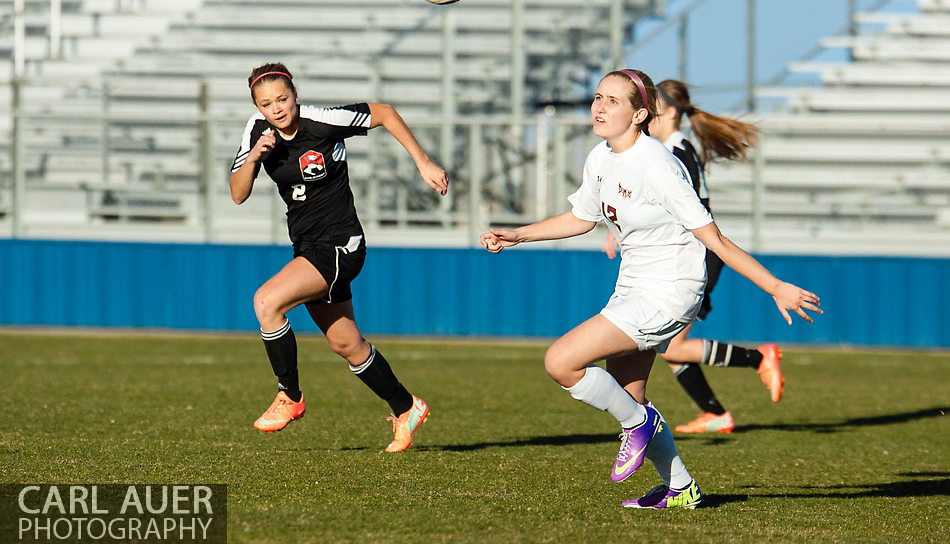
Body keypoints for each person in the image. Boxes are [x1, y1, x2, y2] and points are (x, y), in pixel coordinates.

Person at [480, 68, 821, 509]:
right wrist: (518, 235)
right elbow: (582, 219)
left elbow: (713, 238)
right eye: (598, 97)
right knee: (628, 396)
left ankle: (638, 425)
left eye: (613, 101)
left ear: (641, 114)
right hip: (634, 285)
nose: (599, 106)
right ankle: (681, 487)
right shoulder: (600, 156)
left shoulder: (659, 165)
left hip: (671, 290)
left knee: (561, 361)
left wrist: (774, 286)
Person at [230, 62, 448, 452]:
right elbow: (237, 193)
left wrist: (423, 162)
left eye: (283, 99)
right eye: (267, 104)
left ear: (295, 96)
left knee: (266, 301)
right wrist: (253, 159)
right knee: (347, 344)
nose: (277, 109)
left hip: (339, 244)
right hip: (307, 247)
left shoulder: (322, 120)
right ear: (258, 107)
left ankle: (290, 396)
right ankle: (406, 407)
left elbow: (383, 112)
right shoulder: (257, 132)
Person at [602, 79, 778, 435]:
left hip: (694, 255)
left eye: (651, 105)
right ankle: (715, 413)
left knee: (672, 346)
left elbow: (687, 209)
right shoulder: (666, 149)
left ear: (666, 111)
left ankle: (758, 359)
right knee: (668, 346)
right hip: (683, 254)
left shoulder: (676, 151)